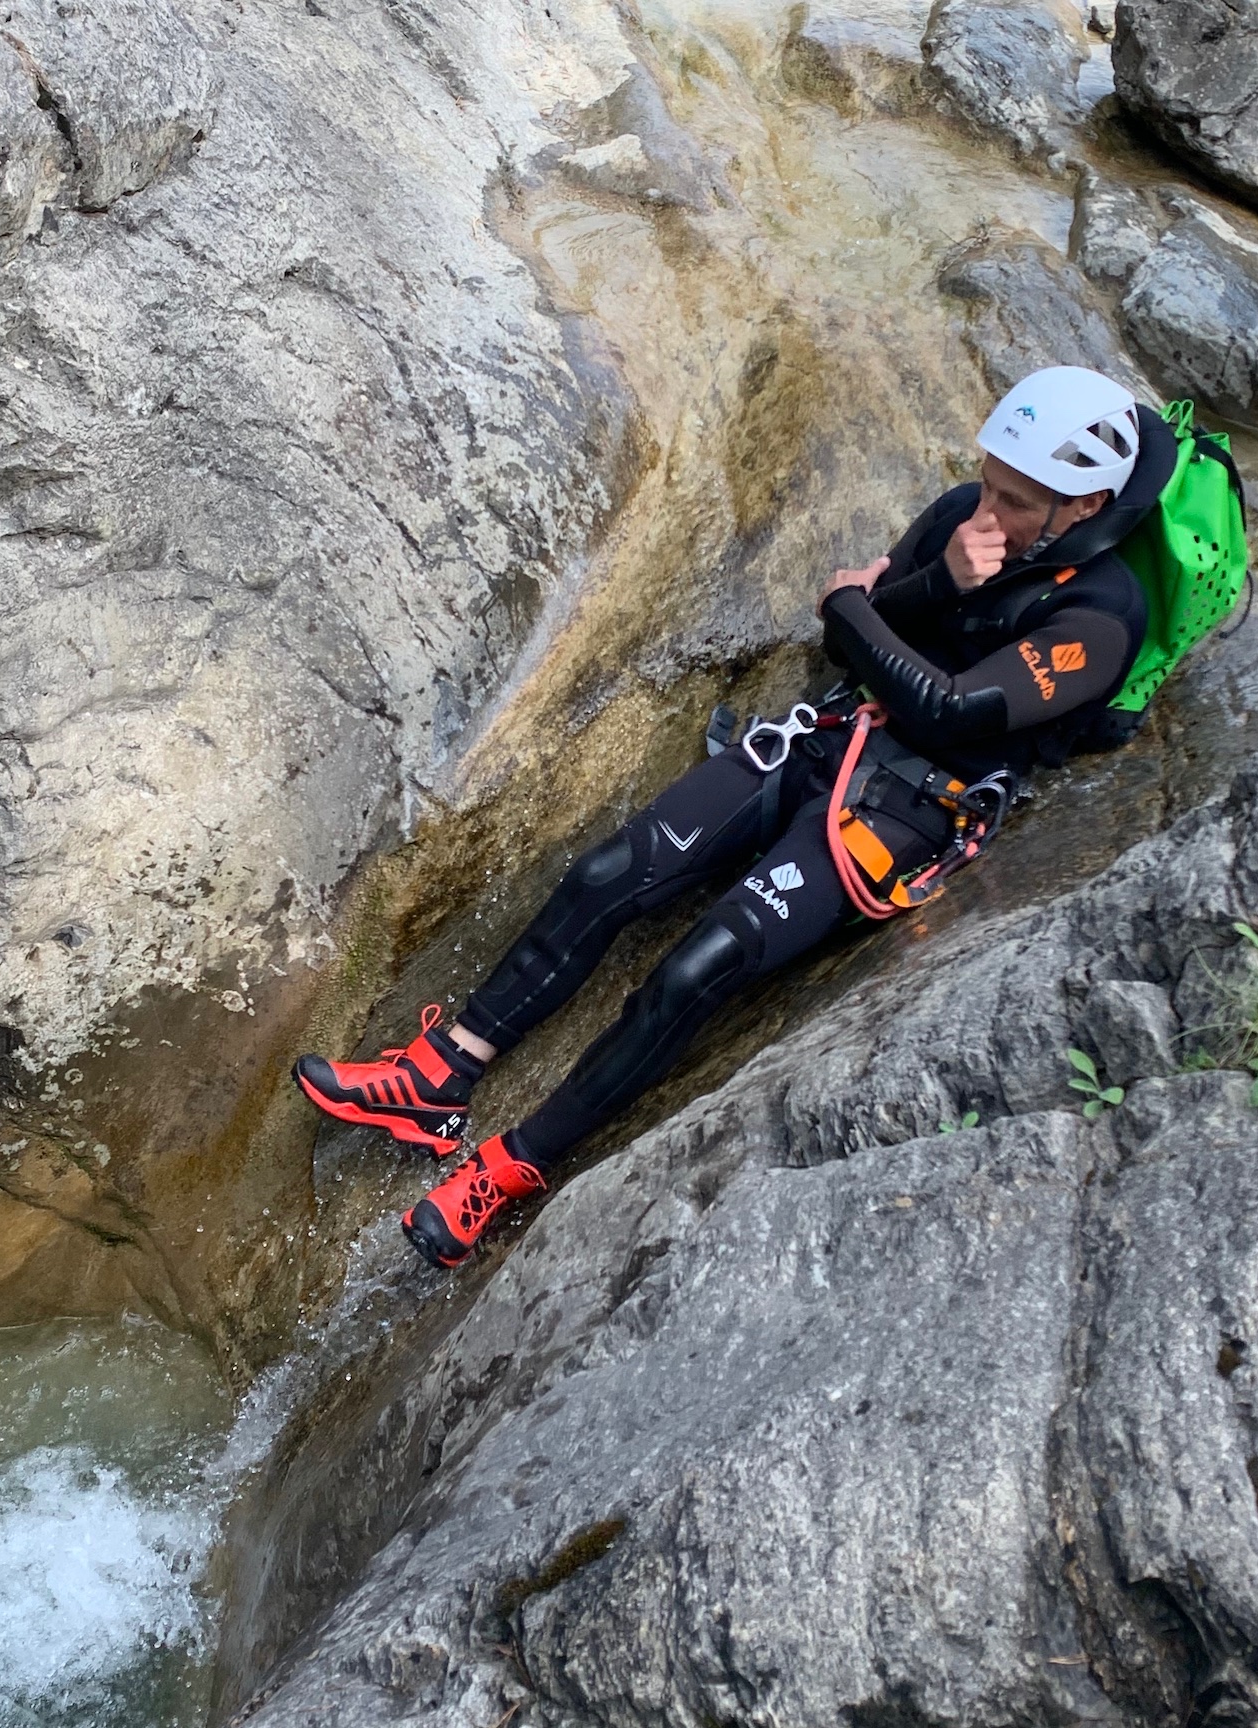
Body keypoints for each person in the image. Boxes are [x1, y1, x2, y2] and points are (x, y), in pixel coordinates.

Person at [295, 367, 1176, 1268]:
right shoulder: (962, 519)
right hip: (828, 739)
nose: (986, 509)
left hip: (909, 809)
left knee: (697, 969)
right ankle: (440, 1072)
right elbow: (865, 636)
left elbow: (944, 708)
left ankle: (510, 1168)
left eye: (1015, 501)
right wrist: (937, 582)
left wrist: (847, 603)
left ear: (1086, 504)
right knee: (610, 872)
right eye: (987, 482)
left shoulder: (1102, 616)